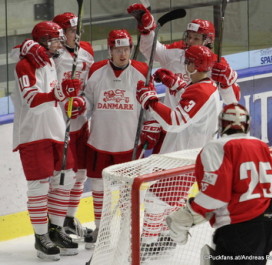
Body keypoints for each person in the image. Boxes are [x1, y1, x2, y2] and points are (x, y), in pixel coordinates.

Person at [166, 103, 272, 265]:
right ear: (246, 125)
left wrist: (189, 211)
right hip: (267, 231)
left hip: (238, 232)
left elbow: (216, 196)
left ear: (222, 124)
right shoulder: (260, 145)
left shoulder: (217, 147)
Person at [67, 29, 153, 249]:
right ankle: (101, 230)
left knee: (128, 191)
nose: (123, 54)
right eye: (118, 49)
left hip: (129, 145)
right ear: (110, 50)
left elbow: (150, 105)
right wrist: (80, 105)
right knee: (98, 187)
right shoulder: (96, 71)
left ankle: (128, 231)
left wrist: (151, 125)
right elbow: (88, 101)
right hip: (100, 141)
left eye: (126, 49)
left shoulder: (142, 71)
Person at [14, 12, 95, 240]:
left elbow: (91, 88)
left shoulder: (77, 53)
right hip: (45, 126)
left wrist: (82, 102)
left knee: (74, 176)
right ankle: (46, 232)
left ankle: (64, 222)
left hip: (71, 123)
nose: (75, 36)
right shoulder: (39, 58)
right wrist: (28, 46)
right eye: (69, 32)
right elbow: (19, 52)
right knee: (44, 183)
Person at [135, 45, 221, 254]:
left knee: (155, 200)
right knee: (170, 198)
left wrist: (150, 101)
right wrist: (176, 84)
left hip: (184, 156)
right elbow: (191, 103)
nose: (186, 65)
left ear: (196, 65)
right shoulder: (205, 86)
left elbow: (175, 121)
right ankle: (166, 235)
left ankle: (148, 243)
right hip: (187, 154)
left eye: (189, 62)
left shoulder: (201, 90)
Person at [127, 3, 240, 154]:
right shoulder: (178, 53)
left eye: (196, 38)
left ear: (208, 40)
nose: (190, 41)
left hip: (197, 134)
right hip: (171, 124)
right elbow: (151, 50)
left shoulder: (217, 64)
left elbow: (232, 101)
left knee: (189, 173)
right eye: (189, 37)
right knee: (162, 173)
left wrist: (227, 82)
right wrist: (148, 30)